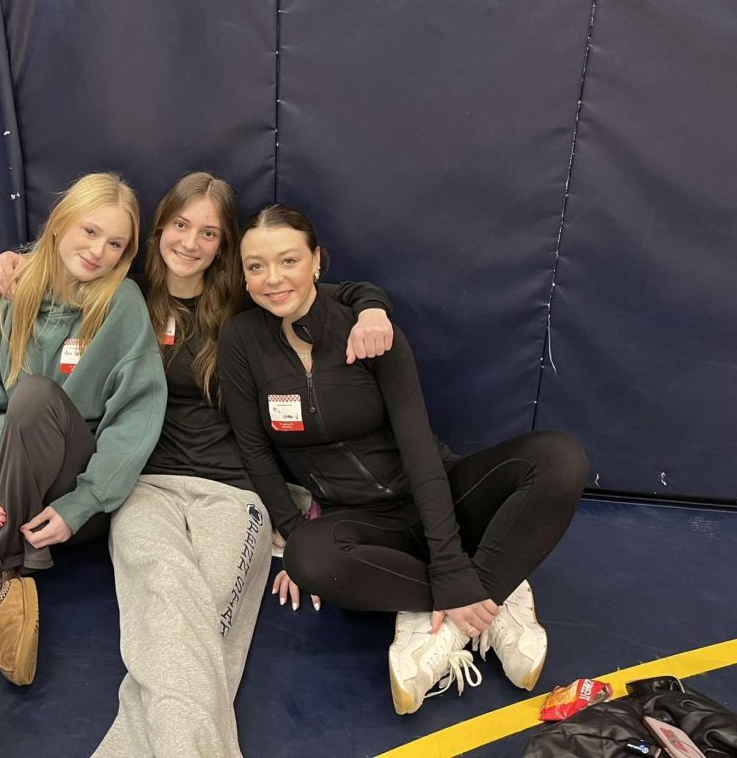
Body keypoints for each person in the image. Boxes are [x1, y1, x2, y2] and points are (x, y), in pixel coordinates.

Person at [0, 172, 395, 755]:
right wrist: (11, 261)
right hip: (143, 485)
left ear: (225, 244)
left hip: (234, 491)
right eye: (181, 224)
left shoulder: (244, 305)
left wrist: (374, 307)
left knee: (195, 626)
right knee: (165, 597)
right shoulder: (124, 289)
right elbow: (59, 264)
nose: (191, 241)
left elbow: (323, 290)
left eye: (209, 232)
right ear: (158, 230)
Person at [218, 205, 589, 715]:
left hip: (437, 491)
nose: (272, 278)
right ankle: (490, 597)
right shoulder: (241, 340)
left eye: (287, 260)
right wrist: (288, 527)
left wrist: (450, 561)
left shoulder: (368, 328)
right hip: (359, 520)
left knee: (559, 460)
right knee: (308, 559)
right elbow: (254, 447)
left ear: (317, 261)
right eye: (255, 266)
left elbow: (418, 448)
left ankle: (454, 611)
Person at [0, 172, 168, 687]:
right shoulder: (4, 288)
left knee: (34, 395)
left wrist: (81, 504)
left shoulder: (123, 304)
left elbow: (135, 421)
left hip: (70, 498)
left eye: (116, 243)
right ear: (60, 225)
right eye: (90, 232)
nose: (99, 251)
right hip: (10, 483)